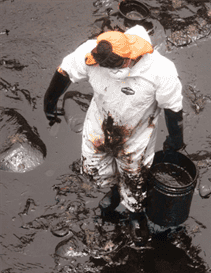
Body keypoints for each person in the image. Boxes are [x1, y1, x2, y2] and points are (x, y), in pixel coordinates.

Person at [43, 25, 185, 237]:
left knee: (134, 177)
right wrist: (50, 101)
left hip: (135, 135)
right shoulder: (91, 54)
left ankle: (136, 213)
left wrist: (175, 140)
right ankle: (114, 192)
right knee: (96, 169)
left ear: (129, 57)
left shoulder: (160, 70)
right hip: (99, 125)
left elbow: (173, 107)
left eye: (117, 66)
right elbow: (66, 70)